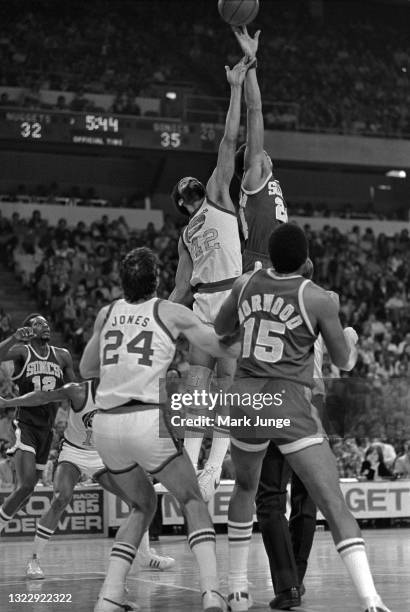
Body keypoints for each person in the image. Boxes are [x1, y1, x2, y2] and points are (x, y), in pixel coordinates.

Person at [214, 223, 390, 612]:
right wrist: (353, 340)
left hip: (244, 398)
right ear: (306, 258)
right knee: (332, 502)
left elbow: (221, 331)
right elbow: (343, 362)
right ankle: (371, 600)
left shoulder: (245, 283)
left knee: (247, 489)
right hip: (289, 400)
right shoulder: (318, 298)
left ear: (270, 256)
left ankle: (238, 590)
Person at [79, 247, 238, 612]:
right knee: (192, 500)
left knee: (141, 504)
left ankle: (110, 595)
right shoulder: (170, 311)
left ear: (122, 282)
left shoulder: (107, 313)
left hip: (105, 426)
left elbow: (87, 368)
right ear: (157, 281)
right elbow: (218, 346)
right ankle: (212, 593)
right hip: (147, 418)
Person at [169, 57, 252, 501]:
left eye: (192, 185)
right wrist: (157, 318)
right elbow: (181, 289)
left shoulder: (219, 192)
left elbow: (229, 137)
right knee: (195, 385)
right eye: (187, 190)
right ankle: (192, 460)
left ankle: (214, 467)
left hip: (232, 296)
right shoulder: (185, 234)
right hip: (203, 302)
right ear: (183, 203)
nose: (192, 189)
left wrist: (235, 88)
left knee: (227, 383)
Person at [0, 380, 175, 578]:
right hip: (73, 453)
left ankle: (144, 555)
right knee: (61, 498)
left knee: (139, 501)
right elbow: (42, 396)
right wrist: (7, 403)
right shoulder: (78, 390)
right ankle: (34, 560)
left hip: (103, 454)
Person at [0, 313, 75, 534]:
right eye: (38, 324)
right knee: (25, 485)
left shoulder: (63, 356)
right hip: (26, 425)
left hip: (47, 429)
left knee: (28, 490)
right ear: (29, 331)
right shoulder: (23, 352)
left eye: (46, 322)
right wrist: (14, 338)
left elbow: (75, 389)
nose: (45, 325)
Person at [232, 26, 288, 275]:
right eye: (257, 150)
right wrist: (251, 64)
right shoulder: (255, 174)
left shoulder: (265, 180)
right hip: (258, 264)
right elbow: (254, 109)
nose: (263, 150)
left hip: (271, 261)